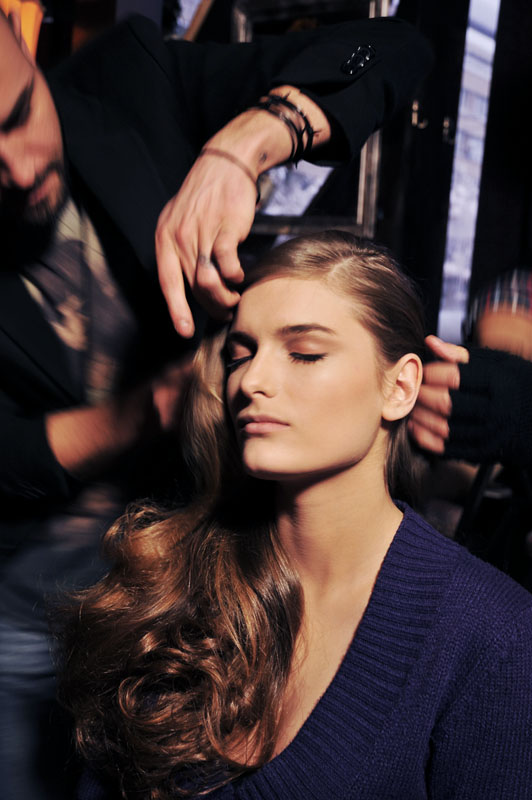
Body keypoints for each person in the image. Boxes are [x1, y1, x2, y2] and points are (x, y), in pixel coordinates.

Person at [0, 9, 433, 799]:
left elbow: (391, 44)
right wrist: (139, 414)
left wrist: (246, 144)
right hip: (37, 582)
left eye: (18, 115)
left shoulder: (131, 81)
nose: (19, 166)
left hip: (198, 551)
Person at [58, 231, 532, 800]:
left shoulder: (492, 637)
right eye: (240, 354)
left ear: (400, 386)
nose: (250, 382)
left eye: (305, 353)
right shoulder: (170, 582)